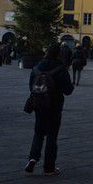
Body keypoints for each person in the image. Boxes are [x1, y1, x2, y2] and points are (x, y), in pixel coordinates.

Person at [25, 43, 74, 176]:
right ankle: (49, 167)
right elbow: (68, 90)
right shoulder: (60, 68)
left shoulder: (36, 67)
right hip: (54, 105)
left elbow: (31, 85)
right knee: (52, 136)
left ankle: (33, 158)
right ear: (58, 54)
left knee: (39, 132)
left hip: (38, 104)